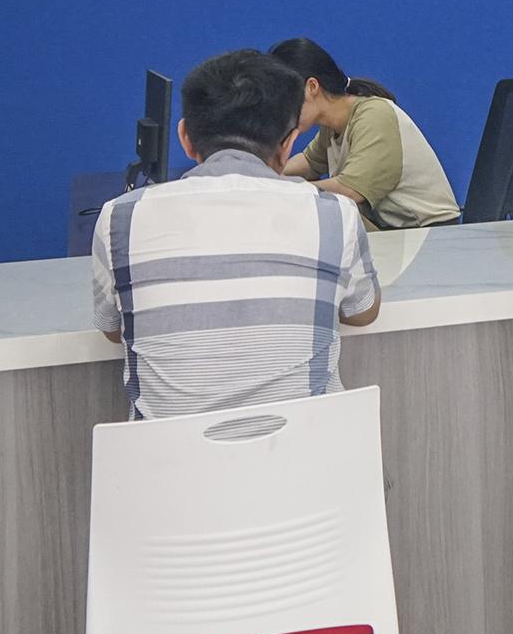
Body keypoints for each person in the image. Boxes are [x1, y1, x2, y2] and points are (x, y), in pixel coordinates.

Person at [91, 49, 382, 420]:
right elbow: (363, 312)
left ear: (185, 138)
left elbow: (112, 329)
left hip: (167, 457)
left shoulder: (120, 218)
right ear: (288, 144)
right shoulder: (334, 215)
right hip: (308, 452)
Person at [270, 37, 460, 229]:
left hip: (430, 235)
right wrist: (266, 174)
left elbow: (350, 190)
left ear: (312, 87)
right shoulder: (332, 124)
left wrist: (286, 189)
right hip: (395, 235)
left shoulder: (374, 115)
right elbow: (309, 162)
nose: (279, 111)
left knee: (323, 208)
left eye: (283, 99)